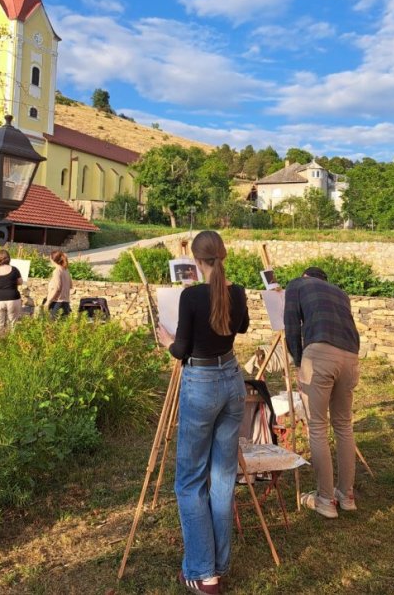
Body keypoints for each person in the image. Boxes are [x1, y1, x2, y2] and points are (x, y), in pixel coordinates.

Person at [156, 230, 249, 595]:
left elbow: (180, 350)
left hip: (203, 382)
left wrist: (166, 341)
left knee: (191, 481)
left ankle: (203, 572)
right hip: (233, 381)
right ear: (222, 256)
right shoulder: (236, 291)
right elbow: (239, 326)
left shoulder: (191, 295)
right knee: (223, 479)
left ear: (196, 260)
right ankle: (219, 563)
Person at [284, 266, 360, 519]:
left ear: (306, 277)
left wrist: (297, 361)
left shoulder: (297, 285)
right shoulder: (341, 293)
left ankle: (325, 500)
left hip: (319, 354)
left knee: (317, 426)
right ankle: (346, 496)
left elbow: (292, 325)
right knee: (344, 425)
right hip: (350, 356)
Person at [0, 249, 23, 336]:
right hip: (13, 298)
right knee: (13, 325)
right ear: (9, 259)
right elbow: (20, 282)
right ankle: (12, 345)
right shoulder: (14, 270)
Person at [44, 250, 72, 318]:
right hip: (66, 303)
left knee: (52, 326)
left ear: (52, 259)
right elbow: (70, 285)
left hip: (56, 303)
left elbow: (57, 288)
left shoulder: (57, 271)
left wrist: (48, 301)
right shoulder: (66, 270)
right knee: (63, 326)